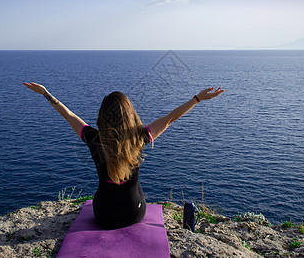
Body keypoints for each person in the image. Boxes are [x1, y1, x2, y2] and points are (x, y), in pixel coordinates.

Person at [23, 82, 225, 229]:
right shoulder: (139, 137)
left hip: (102, 215)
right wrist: (197, 99)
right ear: (130, 114)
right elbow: (171, 118)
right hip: (134, 214)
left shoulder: (94, 139)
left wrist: (45, 93)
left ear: (102, 116)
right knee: (137, 188)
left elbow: (69, 115)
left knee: (106, 191)